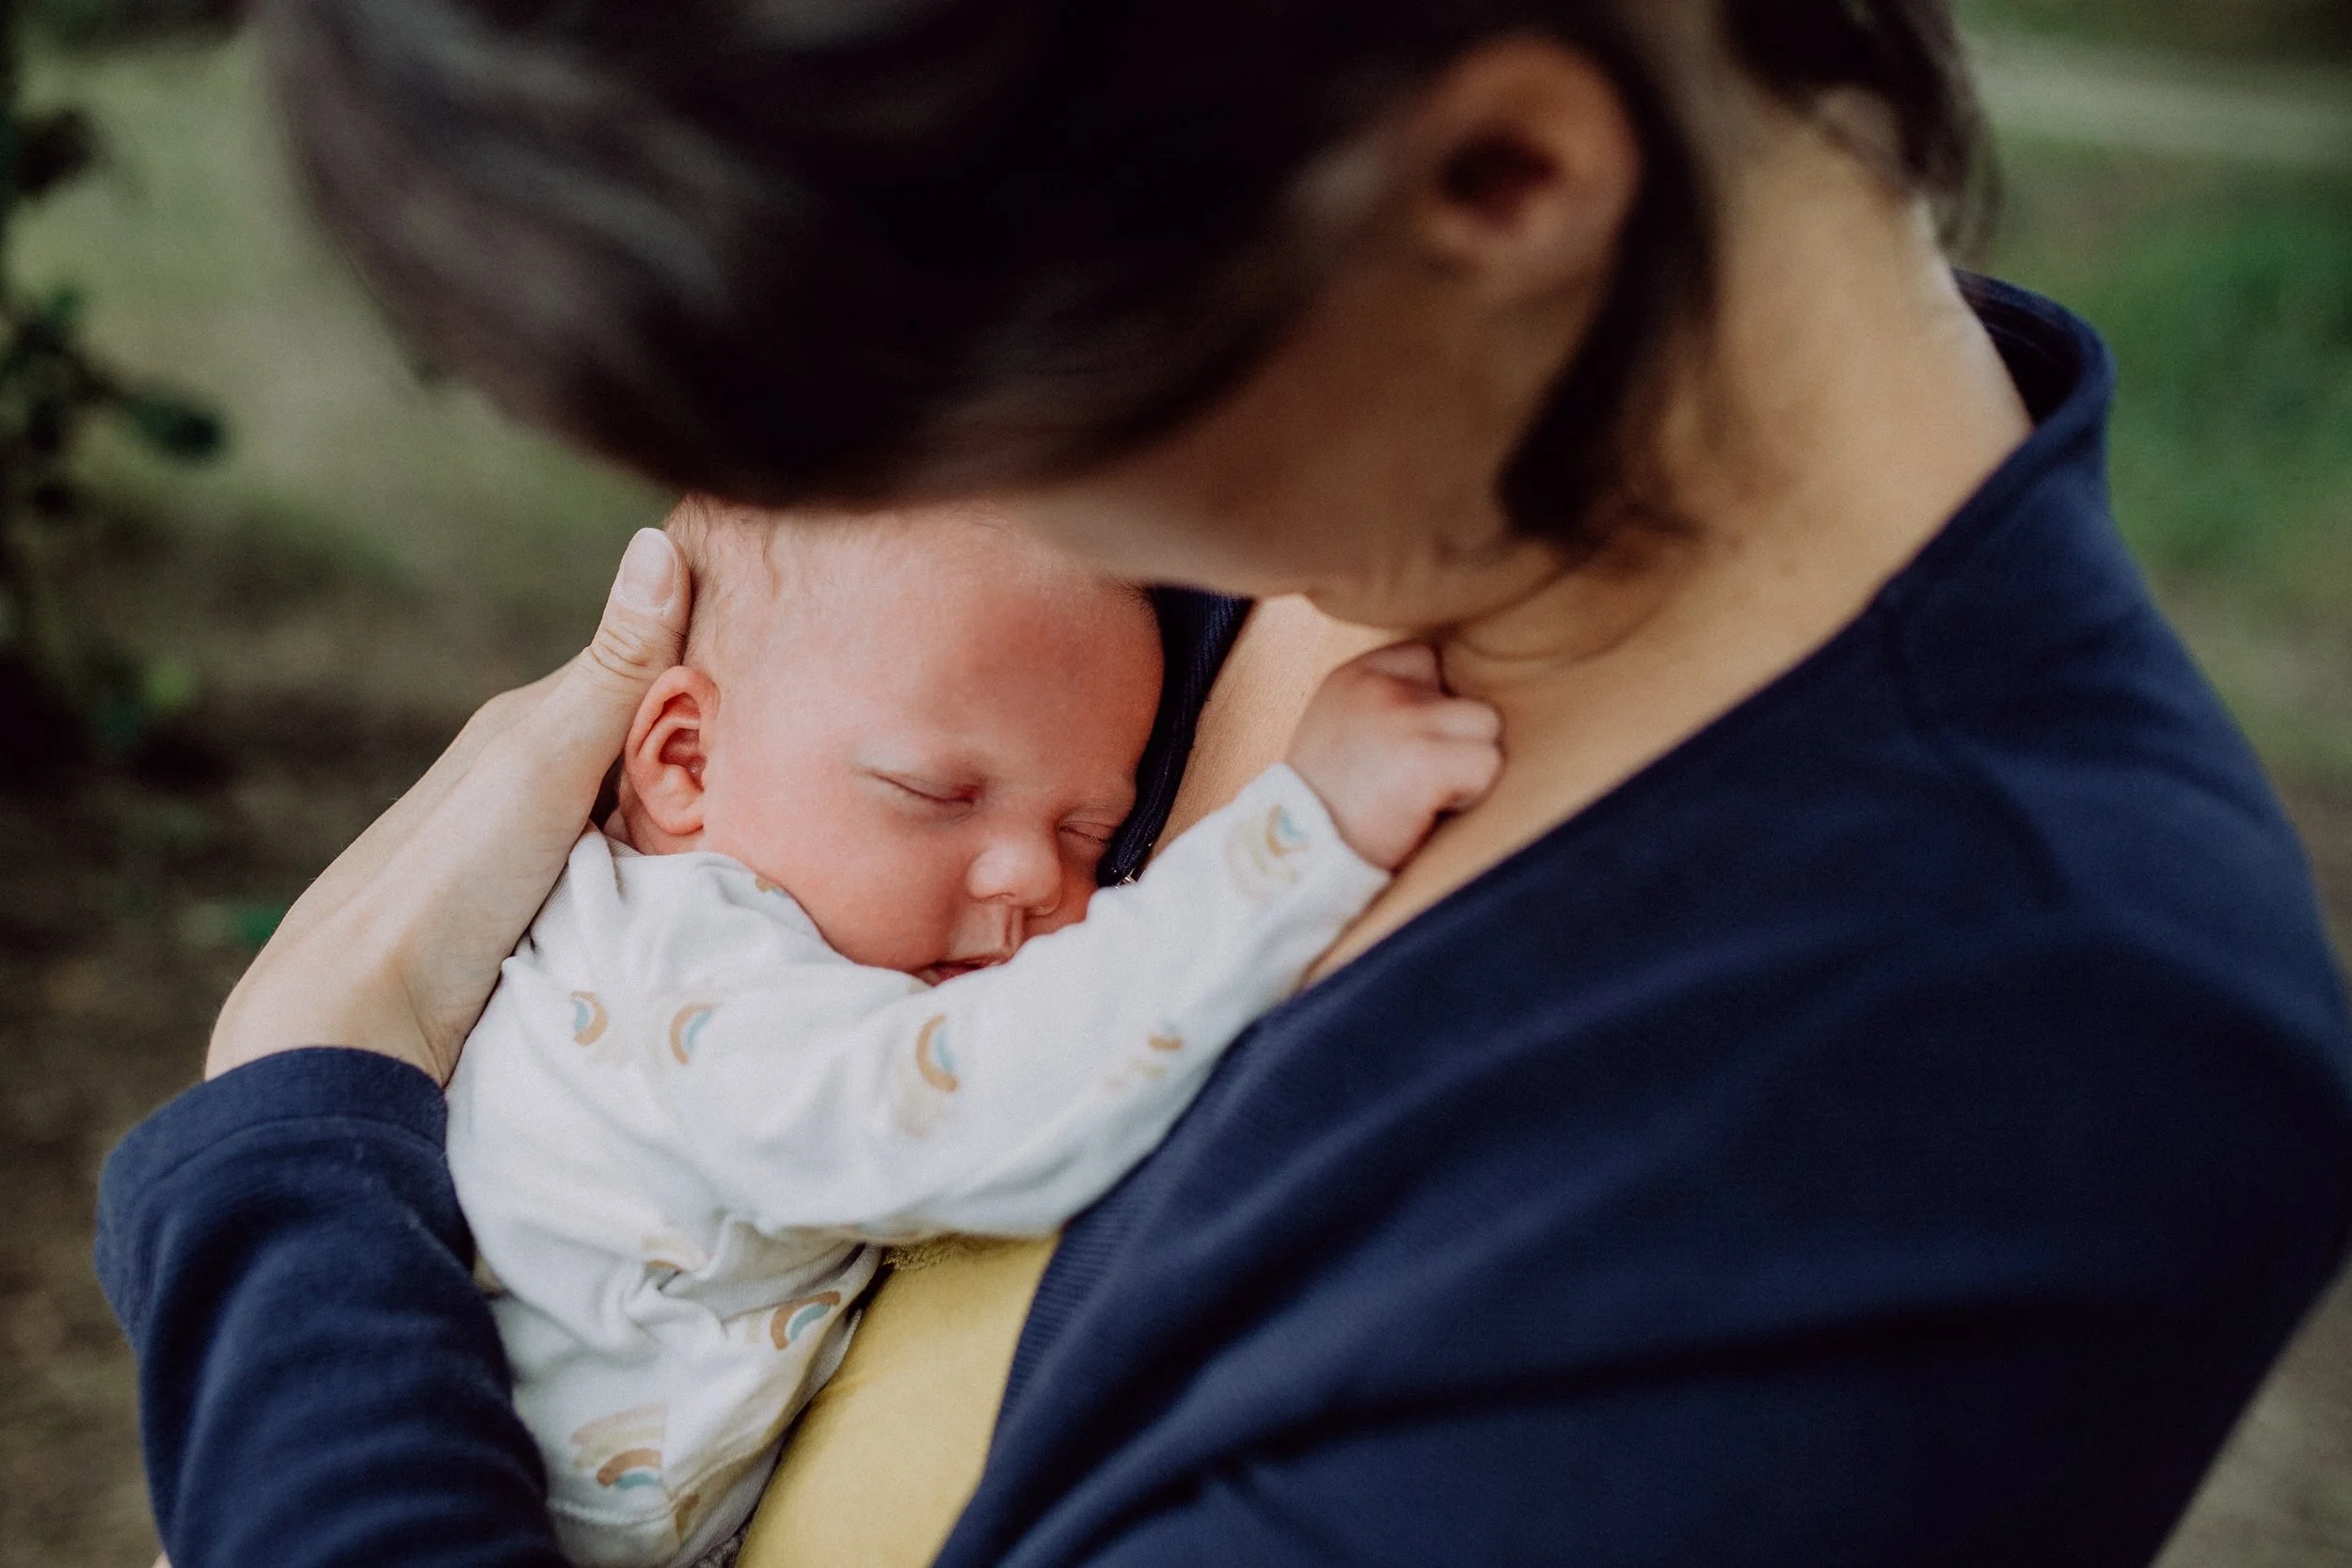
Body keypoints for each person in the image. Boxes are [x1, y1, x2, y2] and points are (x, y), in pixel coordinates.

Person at [100, 2, 2352, 1565]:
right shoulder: (1337, 475)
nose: (960, 527)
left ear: (1499, 175)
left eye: (952, 424)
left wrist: (302, 1116)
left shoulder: (1997, 1088)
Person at [449, 498, 1494, 1567]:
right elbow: (976, 1102)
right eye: (935, 792)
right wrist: (1294, 837)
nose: (1035, 876)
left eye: (1090, 832)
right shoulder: (685, 982)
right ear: (686, 759)